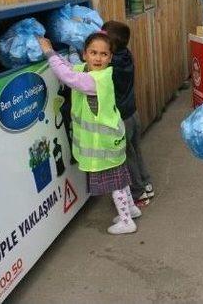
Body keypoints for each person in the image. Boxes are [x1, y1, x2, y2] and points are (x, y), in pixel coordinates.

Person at [39, 33, 137, 235]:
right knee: (120, 177)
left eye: (103, 54)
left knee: (115, 183)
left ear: (110, 58)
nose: (98, 58)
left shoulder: (98, 79)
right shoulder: (86, 70)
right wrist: (58, 56)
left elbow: (68, 77)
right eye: (93, 53)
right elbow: (69, 68)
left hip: (104, 144)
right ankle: (131, 209)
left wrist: (48, 52)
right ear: (85, 54)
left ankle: (126, 221)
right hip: (111, 140)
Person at [102, 20, 153, 206]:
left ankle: (138, 193)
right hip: (133, 113)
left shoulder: (110, 66)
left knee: (127, 156)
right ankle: (146, 184)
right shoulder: (126, 55)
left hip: (121, 118)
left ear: (111, 46)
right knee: (136, 150)